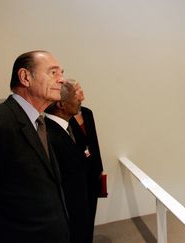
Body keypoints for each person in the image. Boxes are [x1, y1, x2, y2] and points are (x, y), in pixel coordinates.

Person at [0, 50, 69, 242]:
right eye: (53, 72)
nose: (62, 79)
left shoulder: (37, 122)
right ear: (25, 77)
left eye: (62, 73)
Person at [45, 80, 91, 243]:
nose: (80, 99)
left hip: (78, 208)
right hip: (67, 214)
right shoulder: (48, 134)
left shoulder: (68, 126)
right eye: (75, 95)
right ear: (62, 105)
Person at [69, 80, 104, 242]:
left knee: (91, 210)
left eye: (80, 87)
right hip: (75, 175)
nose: (81, 92)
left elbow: (94, 143)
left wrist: (100, 169)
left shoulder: (87, 113)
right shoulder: (63, 116)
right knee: (77, 216)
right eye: (77, 90)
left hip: (92, 171)